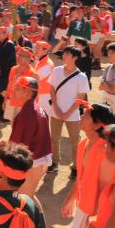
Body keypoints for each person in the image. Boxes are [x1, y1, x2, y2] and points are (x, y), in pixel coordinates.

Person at [61, 101, 115, 228]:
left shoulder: (105, 151)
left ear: (97, 124)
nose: (81, 116)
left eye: (86, 115)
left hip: (96, 212)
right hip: (84, 206)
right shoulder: (83, 143)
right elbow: (80, 178)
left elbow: (106, 189)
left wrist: (95, 219)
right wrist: (71, 198)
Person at [8, 76, 52, 228]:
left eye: (18, 88)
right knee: (29, 195)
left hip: (33, 161)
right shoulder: (35, 108)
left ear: (28, 93)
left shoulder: (27, 113)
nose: (14, 91)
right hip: (40, 158)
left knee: (23, 198)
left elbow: (19, 144)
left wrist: (6, 154)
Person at [48, 46, 89, 175]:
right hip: (55, 112)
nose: (64, 56)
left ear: (75, 57)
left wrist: (67, 113)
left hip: (73, 115)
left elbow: (80, 98)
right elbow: (52, 90)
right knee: (54, 138)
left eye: (67, 54)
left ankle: (76, 166)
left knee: (75, 142)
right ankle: (54, 162)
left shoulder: (82, 77)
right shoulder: (57, 71)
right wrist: (56, 108)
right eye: (64, 53)